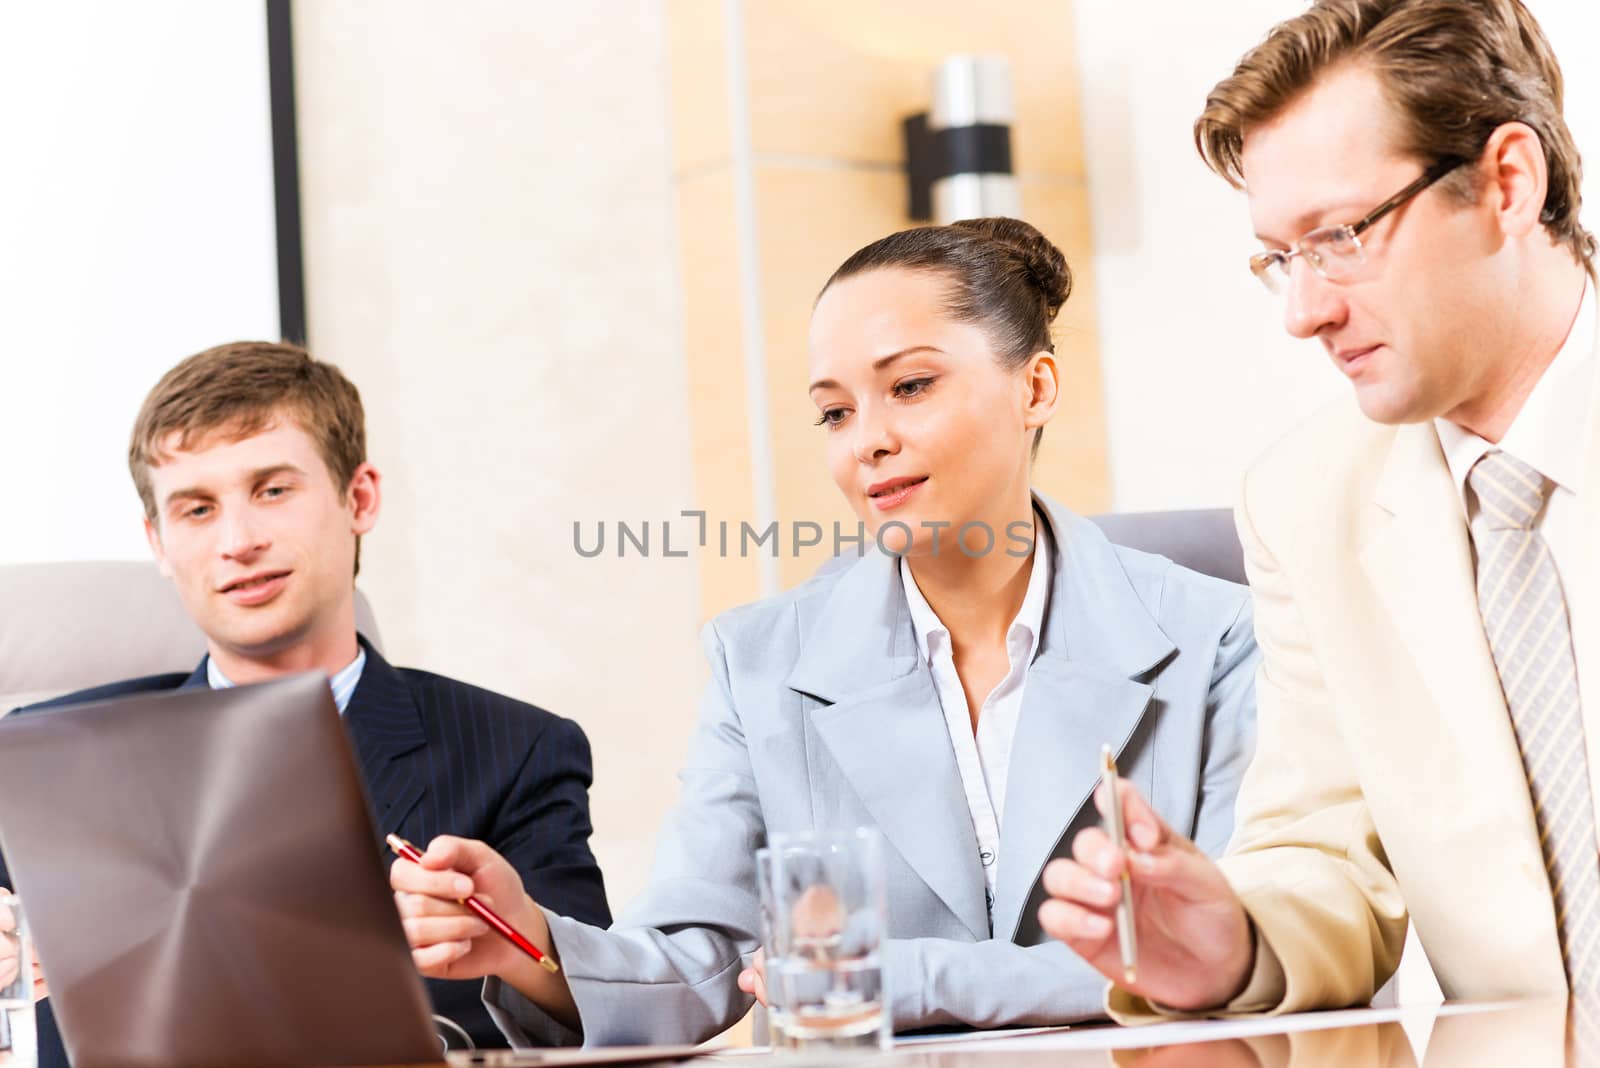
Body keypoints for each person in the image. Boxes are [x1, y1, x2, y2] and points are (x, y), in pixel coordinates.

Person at [390, 218, 1259, 1045]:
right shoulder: (760, 662)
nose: (867, 442)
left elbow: (1237, 941)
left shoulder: (1217, 634)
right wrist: (531, 943)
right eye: (835, 412)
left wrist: (904, 980)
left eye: (910, 387)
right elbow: (700, 963)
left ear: (1035, 388)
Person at [1040, 0, 1599, 1017]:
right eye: (1280, 257)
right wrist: (1236, 945)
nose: (1305, 312)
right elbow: (1326, 851)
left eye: (1339, 236)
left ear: (1508, 184)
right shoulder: (1304, 502)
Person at [0, 341, 612, 1052]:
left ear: (360, 499)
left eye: (272, 490)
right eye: (196, 509)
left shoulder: (515, 751)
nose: (238, 540)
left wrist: (518, 943)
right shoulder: (47, 753)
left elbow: (593, 1015)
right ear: (159, 543)